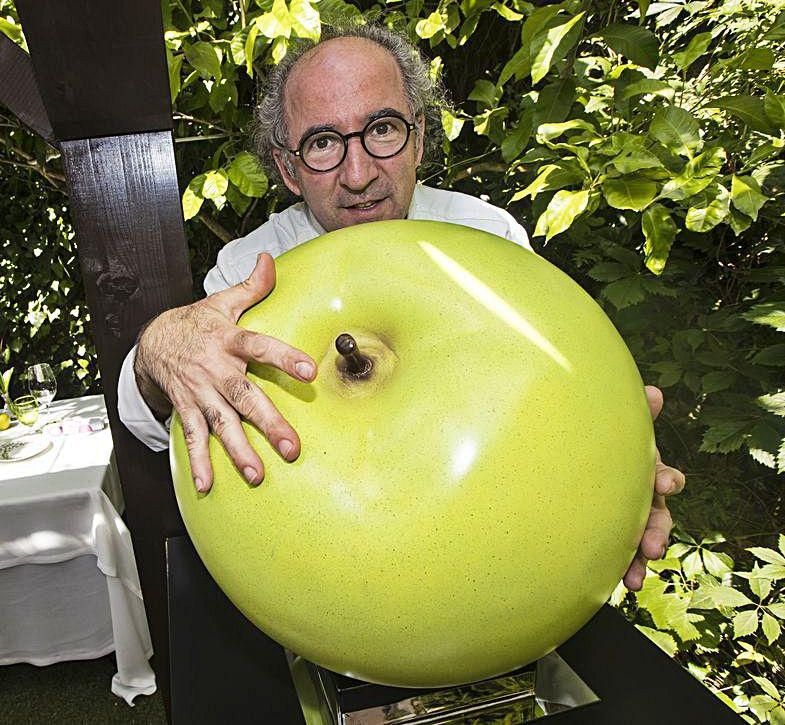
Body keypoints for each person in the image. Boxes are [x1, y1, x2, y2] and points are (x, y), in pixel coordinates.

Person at [118, 24, 685, 591]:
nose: (359, 173)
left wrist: (621, 473)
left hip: (489, 559)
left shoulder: (485, 239)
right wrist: (159, 350)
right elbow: (150, 424)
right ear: (288, 169)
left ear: (417, 139)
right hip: (330, 577)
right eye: (322, 143)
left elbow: (560, 399)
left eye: (382, 129)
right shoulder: (249, 271)